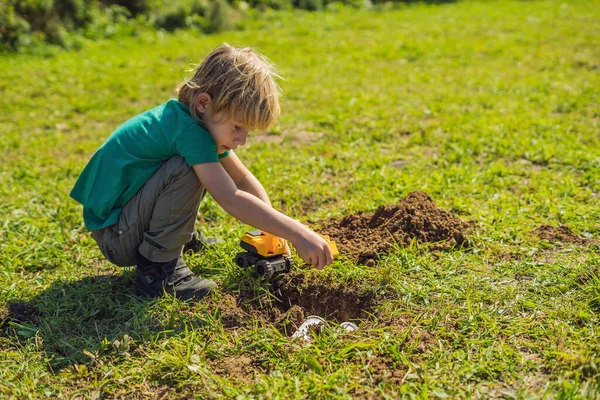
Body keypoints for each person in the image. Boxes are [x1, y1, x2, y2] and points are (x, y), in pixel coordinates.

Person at [70, 44, 334, 302]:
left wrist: (274, 234)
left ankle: (177, 239)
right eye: (238, 127)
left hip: (120, 223)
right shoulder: (190, 134)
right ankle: (158, 272)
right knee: (188, 169)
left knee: (196, 165)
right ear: (204, 104)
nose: (242, 140)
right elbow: (230, 196)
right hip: (116, 236)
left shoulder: (189, 122)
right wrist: (298, 233)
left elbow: (243, 179)